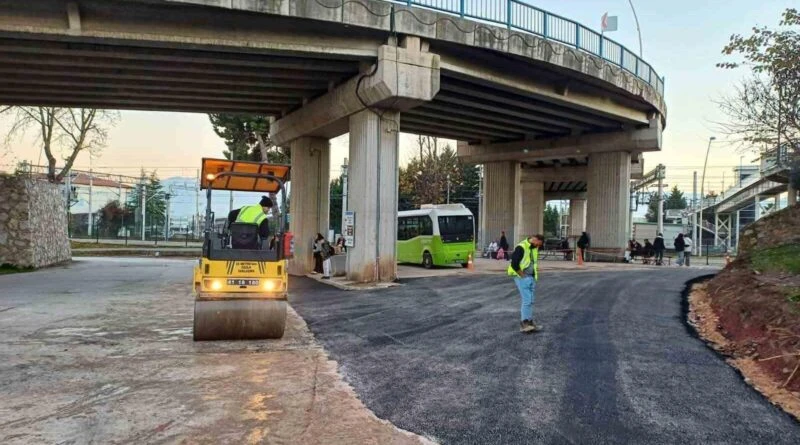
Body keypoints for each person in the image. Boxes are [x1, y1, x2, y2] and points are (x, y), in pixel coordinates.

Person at [509, 234, 544, 333]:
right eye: (538, 244)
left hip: (531, 277)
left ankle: (529, 322)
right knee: (527, 300)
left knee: (531, 300)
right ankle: (524, 324)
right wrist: (523, 276)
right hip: (522, 277)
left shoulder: (533, 248)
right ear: (535, 239)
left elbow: (532, 262)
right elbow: (514, 263)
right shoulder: (521, 246)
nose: (538, 246)